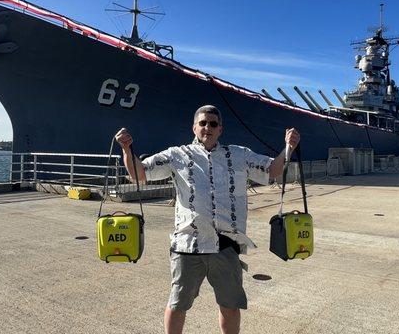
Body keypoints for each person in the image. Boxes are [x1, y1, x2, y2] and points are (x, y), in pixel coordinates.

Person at [115, 105, 300, 334]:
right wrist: (126, 148)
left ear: (220, 129)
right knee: (177, 304)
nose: (207, 128)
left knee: (230, 306)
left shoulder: (239, 155)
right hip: (187, 245)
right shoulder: (177, 155)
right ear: (194, 127)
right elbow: (139, 173)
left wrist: (288, 148)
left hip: (225, 245)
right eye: (202, 123)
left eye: (213, 124)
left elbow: (272, 170)